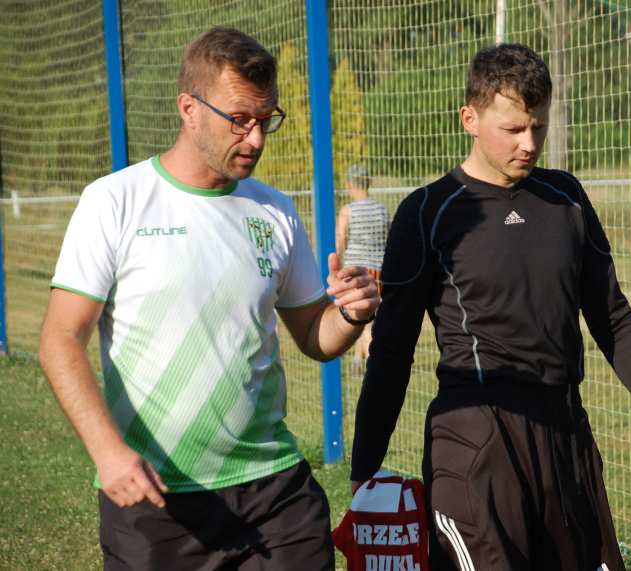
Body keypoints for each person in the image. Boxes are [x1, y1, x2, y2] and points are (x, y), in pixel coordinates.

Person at [349, 43, 631, 570]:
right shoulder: (427, 211)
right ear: (469, 118)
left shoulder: (565, 197)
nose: (529, 144)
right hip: (477, 438)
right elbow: (392, 350)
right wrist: (364, 469)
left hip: (566, 433)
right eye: (513, 129)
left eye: (538, 128)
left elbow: (612, 316)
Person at [38, 26, 378, 571]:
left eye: (266, 120)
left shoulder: (274, 210)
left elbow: (315, 335)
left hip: (276, 493)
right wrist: (107, 452)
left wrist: (351, 315)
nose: (256, 138)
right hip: (158, 503)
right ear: (188, 108)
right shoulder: (115, 202)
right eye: (239, 119)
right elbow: (59, 340)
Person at [335, 164, 388, 372]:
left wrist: (336, 270)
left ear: (349, 185)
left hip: (356, 273)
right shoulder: (381, 210)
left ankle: (371, 363)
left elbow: (339, 242)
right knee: (365, 317)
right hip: (378, 271)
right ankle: (357, 359)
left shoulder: (348, 211)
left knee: (361, 319)